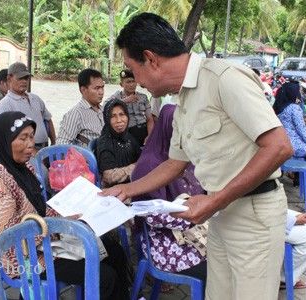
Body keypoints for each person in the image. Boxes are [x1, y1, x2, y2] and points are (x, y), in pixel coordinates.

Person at [101, 13, 293, 300]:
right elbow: (175, 163)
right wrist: (126, 189)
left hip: (254, 216)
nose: (136, 81)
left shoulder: (223, 79)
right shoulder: (182, 99)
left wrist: (215, 200)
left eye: (132, 68)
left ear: (151, 59)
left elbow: (279, 147)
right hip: (220, 212)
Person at [0, 111, 130, 299]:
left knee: (114, 251)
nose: (30, 144)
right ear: (4, 140)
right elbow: (12, 237)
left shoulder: (24, 169)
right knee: (105, 277)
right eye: (23, 138)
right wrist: (59, 227)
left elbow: (40, 210)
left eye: (32, 137)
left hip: (47, 241)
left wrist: (70, 214)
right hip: (25, 257)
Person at [131, 104, 207, 284]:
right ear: (167, 128)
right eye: (177, 129)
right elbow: (150, 214)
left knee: (226, 255)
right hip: (160, 241)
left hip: (188, 229)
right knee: (213, 272)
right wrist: (192, 215)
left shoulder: (185, 157)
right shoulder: (148, 165)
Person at [0, 62, 56, 150]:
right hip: (24, 151)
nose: (24, 81)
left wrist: (54, 142)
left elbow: (48, 119)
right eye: (20, 78)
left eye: (26, 78)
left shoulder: (35, 98)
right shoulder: (5, 104)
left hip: (44, 147)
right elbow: (4, 136)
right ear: (9, 79)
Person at [96, 99, 141, 187]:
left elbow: (140, 155)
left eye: (122, 114)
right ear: (107, 119)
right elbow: (109, 177)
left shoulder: (128, 137)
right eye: (113, 116)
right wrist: (139, 166)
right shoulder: (105, 143)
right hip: (116, 191)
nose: (119, 120)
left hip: (133, 183)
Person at [56, 68, 105, 147]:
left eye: (102, 87)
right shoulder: (75, 114)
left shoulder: (104, 111)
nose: (101, 92)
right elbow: (62, 145)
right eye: (96, 88)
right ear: (83, 90)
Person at [106, 70, 154, 145]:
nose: (132, 84)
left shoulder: (143, 97)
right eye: (128, 82)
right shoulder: (117, 96)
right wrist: (124, 101)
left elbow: (149, 119)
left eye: (133, 81)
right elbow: (106, 106)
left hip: (144, 130)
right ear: (121, 84)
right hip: (128, 133)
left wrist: (150, 136)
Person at [282, 209, 306, 290]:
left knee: (303, 218)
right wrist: (293, 220)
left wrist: (294, 218)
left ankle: (286, 273)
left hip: (268, 208)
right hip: (259, 222)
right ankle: (283, 278)